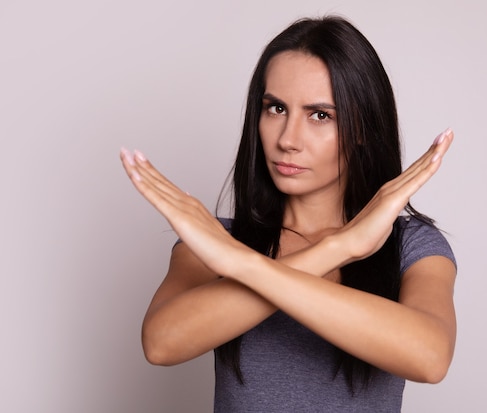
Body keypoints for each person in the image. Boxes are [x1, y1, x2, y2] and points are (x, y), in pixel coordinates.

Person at [120, 16, 456, 412]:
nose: (287, 140)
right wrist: (340, 247)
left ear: (363, 127)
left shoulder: (411, 245)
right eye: (276, 108)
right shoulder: (216, 240)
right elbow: (161, 343)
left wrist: (239, 264)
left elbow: (430, 358)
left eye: (320, 115)